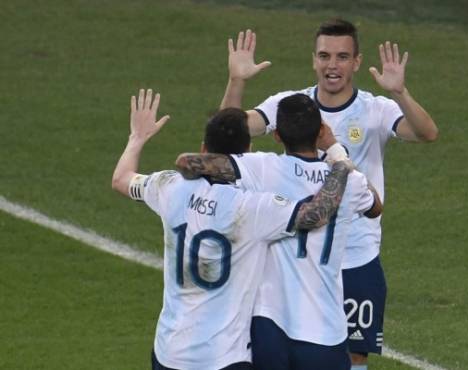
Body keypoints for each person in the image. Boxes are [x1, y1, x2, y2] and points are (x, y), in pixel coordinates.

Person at [218, 20, 439, 369]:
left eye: (341, 57)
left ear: (355, 61)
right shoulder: (290, 106)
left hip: (355, 256)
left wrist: (399, 92)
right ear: (313, 60)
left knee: (354, 357)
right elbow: (228, 133)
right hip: (291, 261)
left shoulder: (375, 109)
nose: (331, 65)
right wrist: (237, 81)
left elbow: (426, 133)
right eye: (324, 56)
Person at [111, 88, 356, 370]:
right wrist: (339, 164)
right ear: (247, 152)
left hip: (169, 352)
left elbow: (121, 179)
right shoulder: (253, 209)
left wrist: (137, 138)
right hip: (224, 358)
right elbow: (316, 213)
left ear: (204, 148)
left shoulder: (168, 186)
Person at [176, 93, 383, 370]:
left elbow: (190, 162)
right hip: (325, 328)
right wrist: (335, 150)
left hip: (269, 326)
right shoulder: (350, 181)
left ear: (277, 136)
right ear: (321, 130)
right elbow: (376, 207)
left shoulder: (262, 168)